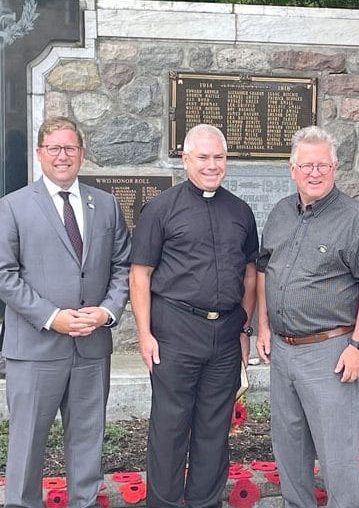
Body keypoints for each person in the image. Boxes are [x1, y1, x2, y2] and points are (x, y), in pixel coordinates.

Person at [0, 116, 131, 508]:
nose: (62, 156)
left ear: (81, 154)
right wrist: (53, 316)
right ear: (39, 154)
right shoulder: (13, 206)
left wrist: (106, 312)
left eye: (70, 148)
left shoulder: (105, 205)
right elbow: (2, 274)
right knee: (27, 443)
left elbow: (122, 266)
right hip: (35, 348)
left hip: (91, 345)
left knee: (87, 440)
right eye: (54, 148)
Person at [256, 125, 359, 508]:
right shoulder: (281, 213)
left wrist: (358, 345)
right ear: (292, 168)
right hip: (283, 351)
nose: (315, 173)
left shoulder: (356, 219)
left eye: (323, 165)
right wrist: (263, 326)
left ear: (335, 168)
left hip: (330, 352)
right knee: (289, 448)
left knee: (336, 456)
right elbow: (266, 270)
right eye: (306, 165)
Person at [129, 124, 258, 508]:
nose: (212, 165)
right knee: (170, 428)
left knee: (214, 429)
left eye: (219, 157)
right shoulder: (160, 209)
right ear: (185, 159)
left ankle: (205, 502)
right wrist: (144, 333)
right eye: (203, 157)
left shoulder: (240, 210)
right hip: (175, 331)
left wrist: (245, 325)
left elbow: (250, 273)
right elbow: (140, 275)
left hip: (225, 335)